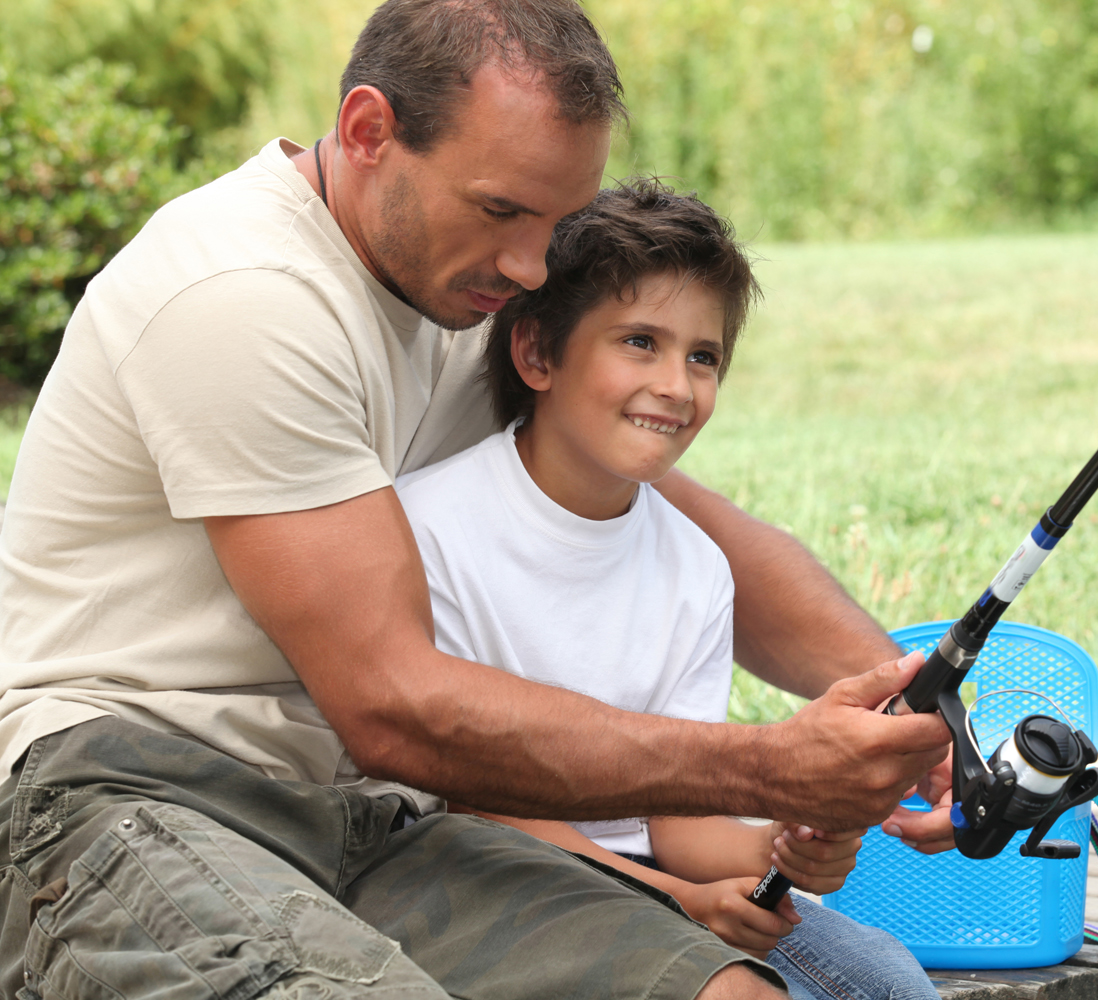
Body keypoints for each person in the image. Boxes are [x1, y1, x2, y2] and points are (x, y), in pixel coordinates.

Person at [0, 0, 953, 996]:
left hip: (370, 820)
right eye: (502, 210)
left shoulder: (456, 292)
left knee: (731, 990)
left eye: (559, 224)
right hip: (130, 791)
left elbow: (698, 528)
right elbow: (391, 704)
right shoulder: (244, 295)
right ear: (369, 132)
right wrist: (770, 766)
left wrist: (920, 722)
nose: (534, 267)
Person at [395, 179, 939, 1000]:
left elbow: (673, 814)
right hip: (490, 876)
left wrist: (779, 852)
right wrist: (683, 903)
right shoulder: (431, 527)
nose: (677, 387)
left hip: (659, 886)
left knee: (886, 982)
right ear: (537, 353)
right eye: (639, 342)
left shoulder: (695, 565)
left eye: (703, 356)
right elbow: (473, 808)